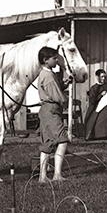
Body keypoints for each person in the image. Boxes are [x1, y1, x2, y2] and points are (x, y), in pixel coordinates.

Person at [36, 46, 70, 182]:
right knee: (62, 140)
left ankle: (42, 177)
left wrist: (63, 85)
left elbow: (53, 89)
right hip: (51, 110)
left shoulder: (44, 74)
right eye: (54, 58)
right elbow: (56, 96)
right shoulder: (49, 75)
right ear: (46, 60)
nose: (56, 60)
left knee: (47, 144)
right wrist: (65, 100)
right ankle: (57, 175)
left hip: (45, 111)